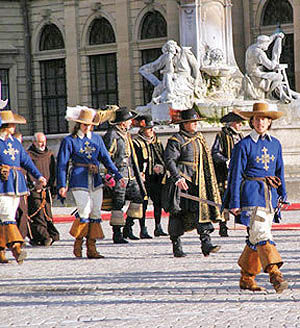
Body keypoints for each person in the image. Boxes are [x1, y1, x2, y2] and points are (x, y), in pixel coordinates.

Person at [223, 102, 288, 293]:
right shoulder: (243, 145)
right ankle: (275, 274)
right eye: (257, 118)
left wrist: (282, 195)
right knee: (262, 234)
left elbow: (280, 170)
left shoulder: (275, 144)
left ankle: (247, 278)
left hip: (269, 196)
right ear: (252, 121)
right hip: (251, 195)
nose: (261, 122)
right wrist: (234, 202)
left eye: (264, 119)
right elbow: (235, 175)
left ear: (269, 122)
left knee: (255, 238)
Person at [57, 107, 125, 258]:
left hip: (95, 179)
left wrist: (118, 175)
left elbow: (106, 159)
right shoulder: (70, 141)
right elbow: (62, 164)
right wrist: (62, 185)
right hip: (78, 178)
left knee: (95, 212)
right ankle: (78, 242)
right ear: (79, 124)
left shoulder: (97, 139)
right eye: (84, 124)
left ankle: (92, 248)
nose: (87, 127)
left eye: (89, 124)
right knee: (84, 210)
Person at [164, 107, 223, 257]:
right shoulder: (176, 140)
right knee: (177, 213)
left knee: (200, 210)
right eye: (192, 122)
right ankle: (176, 245)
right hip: (182, 181)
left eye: (196, 121)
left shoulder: (199, 138)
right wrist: (177, 177)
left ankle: (206, 243)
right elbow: (169, 160)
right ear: (184, 123)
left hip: (198, 182)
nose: (195, 124)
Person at [0, 110, 46, 264]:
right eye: (12, 124)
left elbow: (26, 162)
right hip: (1, 183)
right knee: (6, 216)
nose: (14, 127)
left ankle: (0, 251)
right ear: (5, 126)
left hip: (16, 183)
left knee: (7, 217)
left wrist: (38, 176)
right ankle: (16, 248)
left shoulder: (15, 143)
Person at [103, 107, 147, 243]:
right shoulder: (112, 134)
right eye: (129, 120)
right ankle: (117, 233)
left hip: (130, 173)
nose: (131, 123)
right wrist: (109, 174)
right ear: (123, 122)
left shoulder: (126, 134)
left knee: (139, 197)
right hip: (118, 172)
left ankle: (128, 227)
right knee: (118, 203)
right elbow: (106, 155)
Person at [139, 40, 203, 109]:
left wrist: (196, 80)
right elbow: (150, 67)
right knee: (167, 79)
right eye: (168, 50)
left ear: (175, 47)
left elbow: (195, 66)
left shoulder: (185, 52)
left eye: (171, 49)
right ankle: (164, 96)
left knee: (175, 85)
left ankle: (162, 97)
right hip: (173, 78)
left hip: (185, 78)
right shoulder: (168, 56)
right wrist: (157, 82)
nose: (170, 52)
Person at [211, 110, 246, 237]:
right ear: (232, 123)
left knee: (241, 197)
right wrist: (226, 161)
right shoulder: (221, 135)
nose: (240, 125)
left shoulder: (241, 136)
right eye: (238, 123)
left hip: (240, 172)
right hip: (225, 173)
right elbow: (215, 153)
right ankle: (223, 225)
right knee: (224, 198)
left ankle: (245, 223)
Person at [133, 114, 168, 238]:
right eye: (149, 129)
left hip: (156, 177)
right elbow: (134, 161)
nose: (152, 131)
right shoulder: (136, 142)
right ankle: (143, 229)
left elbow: (162, 157)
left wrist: (161, 167)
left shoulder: (156, 141)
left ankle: (158, 227)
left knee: (158, 202)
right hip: (143, 178)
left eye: (152, 128)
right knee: (143, 203)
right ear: (143, 130)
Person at [245, 33, 300, 102]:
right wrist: (274, 60)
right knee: (279, 77)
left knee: (274, 79)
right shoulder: (259, 53)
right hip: (257, 75)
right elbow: (271, 66)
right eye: (266, 44)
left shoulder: (251, 48)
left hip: (251, 73)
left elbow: (268, 41)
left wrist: (276, 35)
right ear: (263, 44)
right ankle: (271, 95)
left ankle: (289, 94)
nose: (268, 46)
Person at [26, 132, 59, 246]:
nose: (42, 144)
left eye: (44, 141)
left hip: (47, 189)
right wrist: (32, 185)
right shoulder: (28, 155)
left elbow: (54, 172)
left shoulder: (49, 154)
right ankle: (43, 237)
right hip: (34, 190)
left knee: (47, 214)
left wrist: (54, 187)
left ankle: (51, 235)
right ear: (34, 142)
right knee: (37, 214)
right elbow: (27, 171)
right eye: (40, 142)